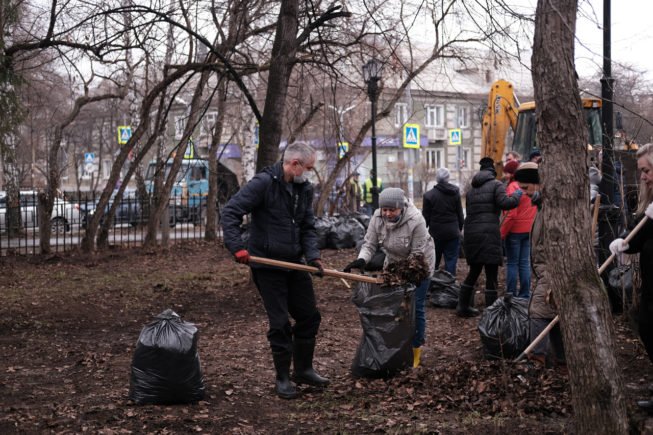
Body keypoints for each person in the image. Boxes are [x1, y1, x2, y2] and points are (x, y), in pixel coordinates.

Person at [221, 142, 329, 400]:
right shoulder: (263, 184)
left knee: (309, 316)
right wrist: (237, 248)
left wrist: (312, 256)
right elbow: (230, 212)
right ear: (294, 164)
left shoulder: (304, 189)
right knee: (280, 323)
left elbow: (307, 226)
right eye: (308, 168)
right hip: (268, 265)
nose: (309, 173)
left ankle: (303, 370)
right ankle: (282, 378)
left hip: (295, 263)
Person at [343, 187, 435, 368]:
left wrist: (401, 278)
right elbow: (369, 244)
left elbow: (416, 254)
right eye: (384, 209)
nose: (387, 213)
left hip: (419, 266)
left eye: (392, 210)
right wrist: (362, 260)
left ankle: (415, 351)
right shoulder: (377, 218)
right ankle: (395, 347)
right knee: (392, 306)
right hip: (393, 262)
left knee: (415, 308)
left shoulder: (416, 221)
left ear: (401, 208)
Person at [609, 143, 653, 411]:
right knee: (647, 327)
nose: (643, 177)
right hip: (651, 285)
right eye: (641, 172)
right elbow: (641, 236)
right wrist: (624, 243)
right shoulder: (650, 203)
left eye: (647, 170)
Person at [457, 157, 522, 317]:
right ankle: (491, 314)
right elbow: (506, 203)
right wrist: (518, 194)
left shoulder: (471, 190)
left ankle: (463, 307)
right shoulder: (496, 185)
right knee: (491, 274)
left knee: (474, 271)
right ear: (492, 171)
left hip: (472, 233)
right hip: (488, 233)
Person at [519, 162, 565, 368]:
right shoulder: (542, 206)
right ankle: (563, 362)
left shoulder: (551, 208)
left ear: (538, 185)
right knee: (552, 315)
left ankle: (536, 360)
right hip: (544, 271)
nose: (523, 193)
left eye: (526, 188)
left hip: (552, 271)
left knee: (538, 311)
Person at [500, 159, 537, 299]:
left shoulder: (513, 187)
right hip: (529, 229)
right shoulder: (532, 186)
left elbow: (511, 214)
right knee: (525, 262)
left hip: (514, 231)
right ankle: (525, 294)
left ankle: (511, 294)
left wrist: (502, 233)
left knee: (512, 263)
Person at [422, 167, 464, 276]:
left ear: (436, 179)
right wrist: (458, 229)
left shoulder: (428, 196)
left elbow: (425, 218)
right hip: (452, 233)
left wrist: (423, 234)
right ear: (448, 178)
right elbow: (460, 213)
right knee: (451, 261)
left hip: (436, 234)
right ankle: (449, 287)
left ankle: (433, 284)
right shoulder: (455, 192)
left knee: (433, 261)